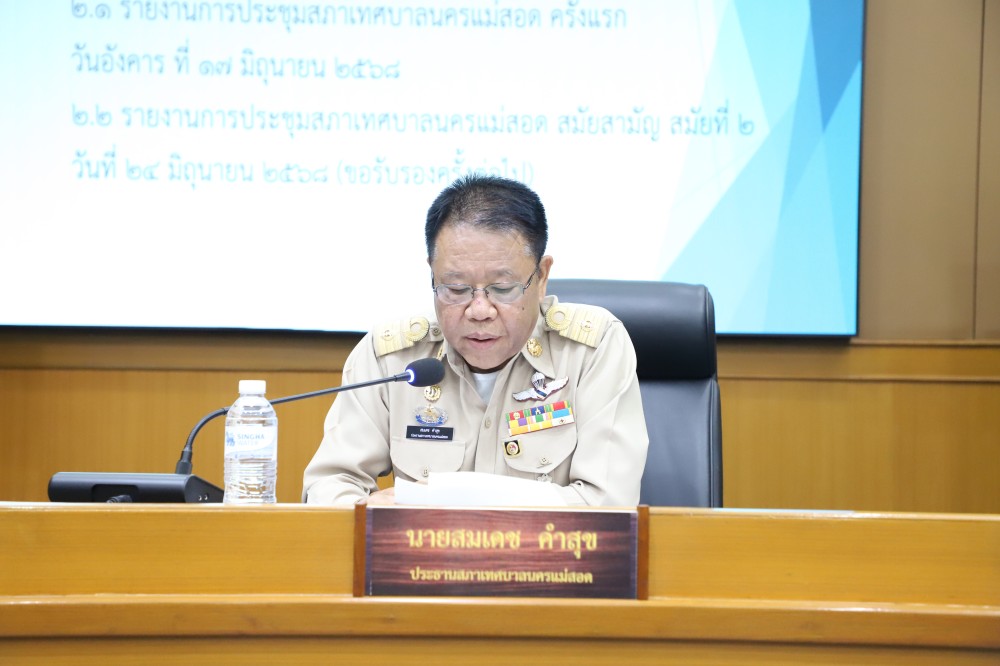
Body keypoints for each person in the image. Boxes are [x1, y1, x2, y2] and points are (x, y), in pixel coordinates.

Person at [302, 175, 648, 506]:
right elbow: (328, 484)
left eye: (502, 288)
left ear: (542, 276)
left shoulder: (591, 349)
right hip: (419, 550)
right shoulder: (392, 359)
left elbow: (608, 503)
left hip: (546, 550)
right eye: (455, 288)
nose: (479, 310)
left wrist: (450, 504)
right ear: (432, 274)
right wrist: (365, 508)